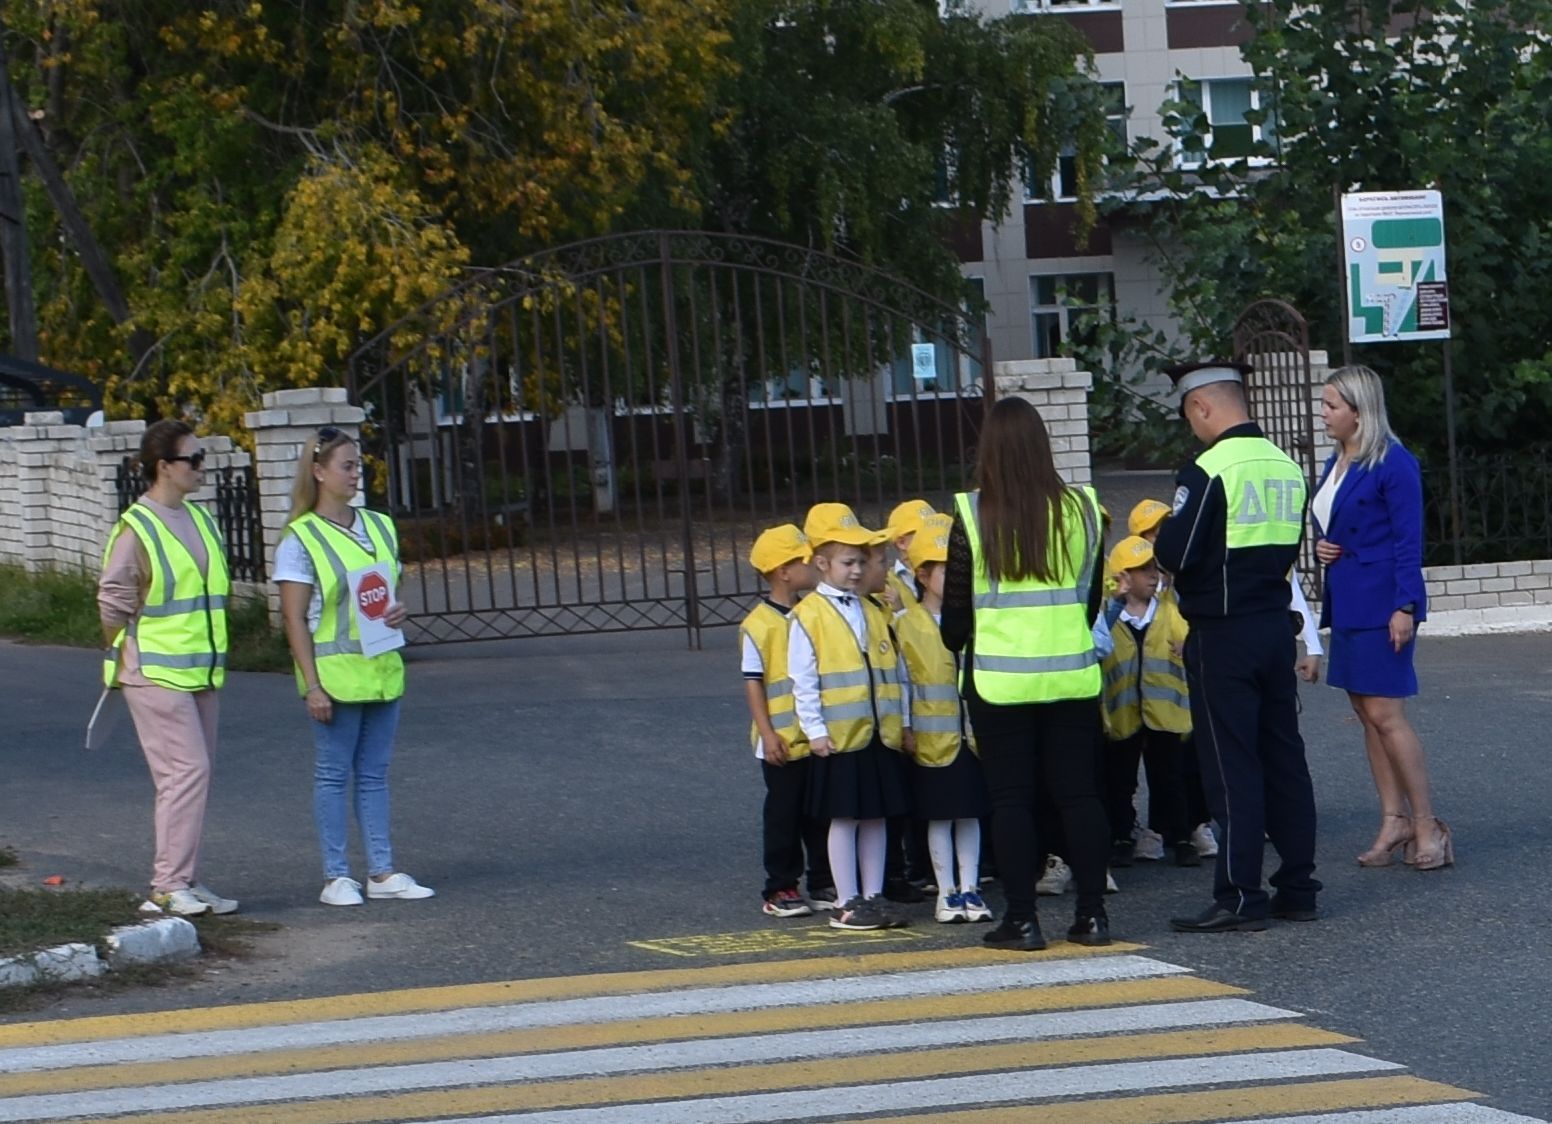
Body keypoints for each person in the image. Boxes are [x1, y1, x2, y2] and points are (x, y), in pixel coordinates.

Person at [1154, 361, 1322, 932]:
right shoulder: (1286, 466)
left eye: (1189, 416)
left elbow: (1175, 553)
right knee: (1284, 757)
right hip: (1274, 625)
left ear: (1201, 406)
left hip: (1223, 633)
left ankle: (1240, 896)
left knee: (1231, 766)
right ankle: (1298, 886)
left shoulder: (1207, 469)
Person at [941, 396, 1112, 951]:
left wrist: (964, 643)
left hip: (999, 680)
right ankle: (1092, 918)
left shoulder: (971, 513)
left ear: (987, 450)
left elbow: (956, 617)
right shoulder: (1084, 507)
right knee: (1079, 796)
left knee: (1011, 799)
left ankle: (1022, 920)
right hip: (1071, 674)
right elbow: (1089, 597)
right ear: (1045, 447)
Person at [275, 426, 434, 906]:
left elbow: (381, 594)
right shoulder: (300, 538)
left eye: (357, 464)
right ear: (319, 472)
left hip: (382, 671)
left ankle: (381, 872)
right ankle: (336, 876)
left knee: (373, 775)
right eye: (346, 465)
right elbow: (293, 617)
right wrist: (312, 686)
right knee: (333, 774)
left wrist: (397, 610)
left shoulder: (379, 525)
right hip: (337, 679)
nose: (355, 473)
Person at [1313, 365, 1450, 870]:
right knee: (1368, 717)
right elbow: (1342, 522)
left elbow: (1408, 541)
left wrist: (1405, 606)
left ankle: (1426, 825)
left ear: (1358, 410)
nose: (1322, 414)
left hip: (1383, 602)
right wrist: (1327, 547)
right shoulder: (1337, 461)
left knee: (1388, 717)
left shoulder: (1395, 463)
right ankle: (1393, 820)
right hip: (1347, 598)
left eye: (1331, 406)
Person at [98, 420, 237, 918]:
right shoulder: (139, 526)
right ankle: (167, 884)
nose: (202, 467)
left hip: (199, 671)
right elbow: (113, 600)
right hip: (153, 672)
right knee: (186, 771)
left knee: (195, 775)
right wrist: (118, 652)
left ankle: (187, 880)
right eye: (193, 460)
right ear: (164, 468)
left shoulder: (199, 520)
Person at [790, 503, 915, 931]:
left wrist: (905, 722)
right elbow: (803, 680)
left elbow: (896, 671)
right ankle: (846, 900)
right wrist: (815, 731)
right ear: (822, 564)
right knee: (844, 817)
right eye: (848, 562)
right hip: (842, 736)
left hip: (879, 732)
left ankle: (873, 893)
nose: (858, 570)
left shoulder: (873, 610)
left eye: (862, 561)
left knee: (876, 815)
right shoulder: (807, 615)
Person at [893, 514, 993, 924]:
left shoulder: (975, 619)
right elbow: (901, 681)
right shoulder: (905, 624)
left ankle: (971, 888)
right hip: (932, 741)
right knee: (940, 817)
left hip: (970, 736)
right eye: (945, 569)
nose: (955, 578)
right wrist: (904, 726)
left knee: (970, 813)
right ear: (921, 574)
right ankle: (946, 891)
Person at [739, 524, 836, 917]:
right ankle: (780, 886)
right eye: (803, 559)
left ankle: (823, 879)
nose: (812, 564)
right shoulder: (757, 624)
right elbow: (753, 683)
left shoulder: (811, 613)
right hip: (780, 738)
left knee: (820, 813)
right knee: (784, 814)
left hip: (813, 734)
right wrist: (767, 732)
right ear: (783, 571)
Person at [1097, 536, 1197, 869]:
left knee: (1170, 775)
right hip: (1123, 715)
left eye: (1153, 568)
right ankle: (1122, 835)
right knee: (1121, 780)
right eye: (1141, 570)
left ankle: (1180, 836)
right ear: (1121, 576)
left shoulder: (1169, 611)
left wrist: (1188, 646)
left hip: (1164, 714)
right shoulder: (1109, 617)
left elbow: (1187, 635)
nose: (1151, 575)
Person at [884, 498, 937, 612]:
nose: (935, 538)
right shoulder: (887, 583)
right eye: (926, 534)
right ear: (902, 543)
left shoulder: (944, 572)